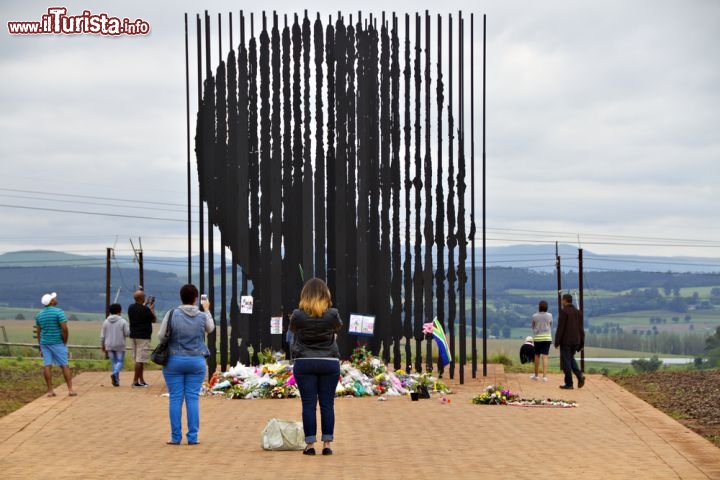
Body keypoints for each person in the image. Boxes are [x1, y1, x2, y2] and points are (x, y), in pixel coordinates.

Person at [289, 278, 342, 456]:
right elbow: (337, 329)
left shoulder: (297, 315)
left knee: (308, 404)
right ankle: (327, 445)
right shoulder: (332, 314)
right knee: (327, 404)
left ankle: (310, 445)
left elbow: (293, 331)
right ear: (325, 294)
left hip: (304, 362)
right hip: (329, 363)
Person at [158, 284, 214, 445]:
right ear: (196, 299)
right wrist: (207, 309)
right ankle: (193, 437)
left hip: (174, 360)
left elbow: (162, 336)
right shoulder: (202, 316)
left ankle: (176, 437)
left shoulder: (171, 314)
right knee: (192, 398)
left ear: (181, 297)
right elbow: (210, 328)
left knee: (175, 398)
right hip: (196, 361)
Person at [35, 292, 76, 397]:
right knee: (64, 365)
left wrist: (40, 345)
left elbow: (39, 331)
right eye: (54, 298)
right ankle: (70, 389)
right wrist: (65, 341)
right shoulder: (59, 312)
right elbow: (64, 328)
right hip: (57, 342)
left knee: (47, 366)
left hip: (45, 343)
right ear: (51, 302)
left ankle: (50, 390)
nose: (56, 299)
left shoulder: (39, 314)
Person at [554, 293, 586, 389]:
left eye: (562, 300)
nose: (561, 302)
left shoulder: (564, 312)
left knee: (566, 361)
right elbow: (581, 329)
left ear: (565, 300)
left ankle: (569, 383)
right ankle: (580, 376)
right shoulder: (578, 312)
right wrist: (581, 342)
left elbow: (561, 328)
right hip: (576, 340)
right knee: (570, 359)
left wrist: (557, 341)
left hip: (566, 341)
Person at [128, 289, 156, 387]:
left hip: (134, 335)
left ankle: (141, 380)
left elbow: (140, 309)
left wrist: (145, 304)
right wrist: (152, 308)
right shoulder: (146, 309)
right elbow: (154, 319)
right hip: (143, 336)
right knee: (140, 360)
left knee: (138, 359)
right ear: (142, 298)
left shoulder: (131, 308)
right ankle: (135, 381)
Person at [101, 303, 130, 387]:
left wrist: (102, 344)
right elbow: (128, 333)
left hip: (108, 344)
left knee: (113, 362)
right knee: (120, 361)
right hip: (120, 344)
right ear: (119, 311)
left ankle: (116, 381)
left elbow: (102, 335)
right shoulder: (123, 321)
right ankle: (114, 374)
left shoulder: (105, 322)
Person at [530, 300, 553, 381]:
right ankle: (544, 376)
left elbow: (533, 326)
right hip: (547, 338)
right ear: (547, 307)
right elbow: (550, 325)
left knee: (537, 356)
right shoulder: (550, 315)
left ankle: (536, 375)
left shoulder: (534, 316)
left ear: (539, 307)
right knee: (545, 356)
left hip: (538, 338)